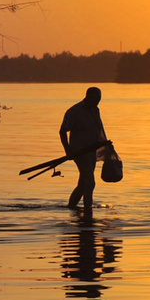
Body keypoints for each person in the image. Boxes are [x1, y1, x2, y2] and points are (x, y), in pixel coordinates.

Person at [59, 86, 107, 215]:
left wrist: (106, 146)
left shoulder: (95, 110)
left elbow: (99, 129)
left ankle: (71, 207)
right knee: (90, 182)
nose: (97, 102)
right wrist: (68, 151)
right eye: (95, 99)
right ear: (88, 96)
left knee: (83, 184)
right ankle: (88, 211)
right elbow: (63, 131)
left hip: (91, 151)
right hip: (79, 151)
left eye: (99, 99)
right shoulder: (75, 111)